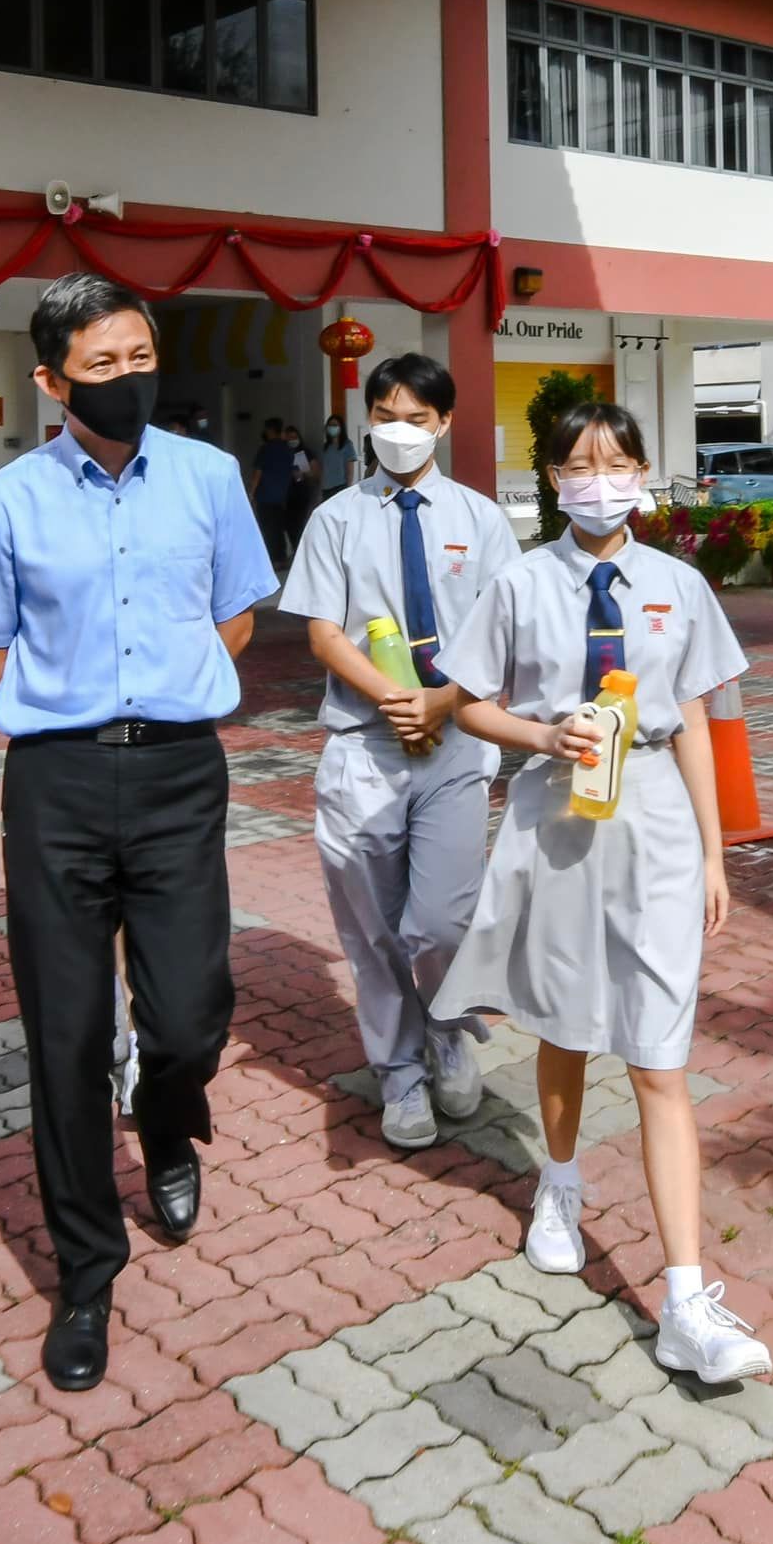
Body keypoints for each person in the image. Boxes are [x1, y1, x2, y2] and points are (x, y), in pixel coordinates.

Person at [0, 271, 277, 1393]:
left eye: (141, 358)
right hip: (57, 780)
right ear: (50, 380)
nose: (129, 379)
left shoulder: (210, 476)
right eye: (102, 365)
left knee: (188, 1011)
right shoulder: (8, 499)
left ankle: (167, 1113)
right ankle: (86, 1273)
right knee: (64, 1038)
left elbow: (235, 608)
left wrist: (179, 678)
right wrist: (71, 690)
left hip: (181, 770)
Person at [428, 402, 772, 1385]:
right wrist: (542, 737)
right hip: (555, 815)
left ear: (642, 471)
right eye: (577, 464)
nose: (597, 478)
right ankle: (559, 1185)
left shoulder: (677, 584)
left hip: (655, 817)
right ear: (548, 476)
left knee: (659, 1054)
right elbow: (467, 699)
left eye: (615, 461)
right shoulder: (519, 582)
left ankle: (683, 1298)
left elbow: (697, 718)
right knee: (567, 1022)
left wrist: (712, 853)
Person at [280, 354, 520, 1151]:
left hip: (453, 745)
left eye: (416, 417)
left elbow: (504, 636)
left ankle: (449, 1026)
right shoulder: (337, 519)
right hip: (364, 747)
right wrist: (392, 700)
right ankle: (400, 1071)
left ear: (444, 424)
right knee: (373, 927)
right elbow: (321, 630)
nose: (399, 430)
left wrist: (442, 702)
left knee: (445, 917)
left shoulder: (482, 522)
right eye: (385, 414)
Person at [248, 418, 295, 566]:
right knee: (279, 529)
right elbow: (295, 471)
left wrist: (250, 493)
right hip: (282, 495)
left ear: (269, 430)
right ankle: (281, 559)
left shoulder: (265, 449)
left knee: (267, 529)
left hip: (265, 496)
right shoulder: (288, 449)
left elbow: (257, 474)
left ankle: (271, 560)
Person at [283, 425, 316, 553]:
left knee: (299, 524)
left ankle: (300, 552)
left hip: (301, 493)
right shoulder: (283, 453)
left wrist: (303, 472)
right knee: (288, 524)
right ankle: (295, 550)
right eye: (289, 437)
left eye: (294, 437)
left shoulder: (305, 453)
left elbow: (315, 473)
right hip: (285, 494)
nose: (292, 440)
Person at [318, 414, 358, 500]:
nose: (332, 427)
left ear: (341, 428)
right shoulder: (325, 447)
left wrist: (348, 490)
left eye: (335, 425)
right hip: (325, 489)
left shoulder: (347, 445)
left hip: (340, 487)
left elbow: (350, 471)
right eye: (330, 425)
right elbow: (323, 469)